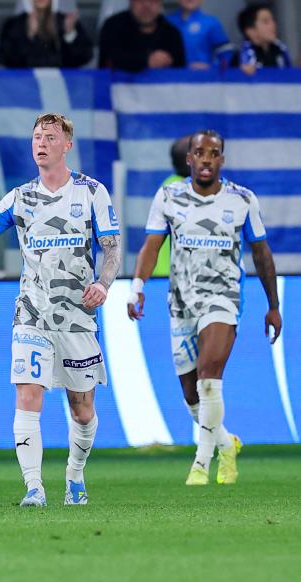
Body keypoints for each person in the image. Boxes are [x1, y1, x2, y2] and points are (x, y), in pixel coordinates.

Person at [0, 113, 122, 507]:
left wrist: (103, 284)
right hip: (31, 315)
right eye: (37, 137)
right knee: (28, 395)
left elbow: (112, 247)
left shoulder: (91, 192)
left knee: (82, 409)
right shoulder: (20, 197)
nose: (41, 143)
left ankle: (75, 474)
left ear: (67, 145)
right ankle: (34, 487)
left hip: (77, 318)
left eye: (50, 137)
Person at [127, 130, 282, 485]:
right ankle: (226, 444)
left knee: (209, 378)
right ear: (189, 159)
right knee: (191, 394)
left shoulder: (242, 199)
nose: (206, 159)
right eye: (200, 152)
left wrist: (273, 305)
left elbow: (261, 253)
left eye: (213, 153)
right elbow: (152, 246)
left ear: (222, 160)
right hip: (182, 302)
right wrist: (137, 288)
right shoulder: (168, 197)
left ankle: (201, 464)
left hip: (223, 298)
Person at [0, 0, 93, 69]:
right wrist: (29, 37)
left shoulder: (66, 22)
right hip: (24, 88)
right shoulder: (14, 25)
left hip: (61, 87)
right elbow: (4, 58)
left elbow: (85, 57)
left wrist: (69, 34)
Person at [98, 0, 186, 72]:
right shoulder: (113, 26)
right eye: (140, 0)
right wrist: (146, 61)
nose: (146, 5)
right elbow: (110, 60)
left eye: (152, 1)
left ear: (160, 3)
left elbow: (181, 72)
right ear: (131, 2)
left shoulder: (172, 33)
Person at [151, 135, 191, 277]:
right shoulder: (180, 190)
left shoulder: (169, 185)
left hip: (163, 271)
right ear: (190, 160)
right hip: (172, 274)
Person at [165, 0, 231, 69]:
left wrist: (211, 67)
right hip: (169, 73)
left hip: (201, 74)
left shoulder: (211, 23)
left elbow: (226, 53)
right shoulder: (166, 22)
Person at [232, 3, 292, 75]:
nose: (273, 25)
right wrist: (242, 71)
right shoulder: (239, 56)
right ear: (251, 31)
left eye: (273, 20)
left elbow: (289, 73)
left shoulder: (280, 49)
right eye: (265, 22)